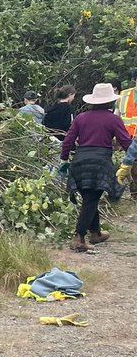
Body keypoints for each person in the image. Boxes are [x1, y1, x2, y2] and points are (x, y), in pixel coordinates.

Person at [61, 82, 132, 252]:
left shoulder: (81, 118)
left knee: (89, 198)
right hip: (100, 162)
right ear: (110, 102)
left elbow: (68, 141)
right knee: (92, 199)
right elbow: (126, 142)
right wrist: (131, 157)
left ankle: (96, 233)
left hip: (80, 161)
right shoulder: (113, 119)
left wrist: (64, 160)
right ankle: (79, 236)